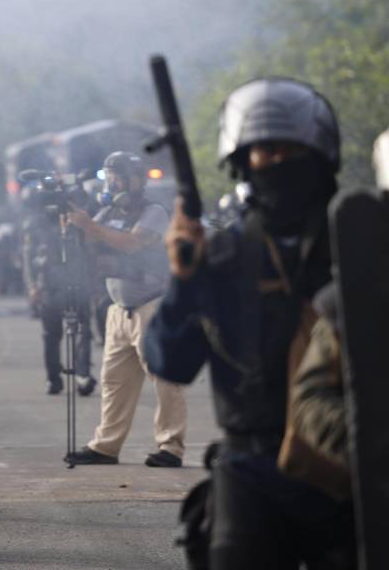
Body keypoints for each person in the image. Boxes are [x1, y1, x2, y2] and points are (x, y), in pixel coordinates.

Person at [144, 78, 356, 568]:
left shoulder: (360, 242)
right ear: (244, 163)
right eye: (264, 153)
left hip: (347, 462)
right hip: (252, 469)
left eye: (289, 151)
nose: (277, 164)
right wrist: (183, 283)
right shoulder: (220, 254)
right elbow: (169, 362)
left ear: (319, 157)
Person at [66, 151, 186, 467]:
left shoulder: (154, 211)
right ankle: (106, 447)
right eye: (109, 176)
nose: (113, 182)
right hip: (118, 309)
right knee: (114, 381)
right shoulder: (107, 211)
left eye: (118, 176)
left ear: (136, 179)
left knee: (163, 378)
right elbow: (92, 242)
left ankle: (170, 446)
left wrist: (89, 225)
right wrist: (73, 224)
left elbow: (131, 243)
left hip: (151, 305)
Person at [21, 173, 96, 395]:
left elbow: (91, 248)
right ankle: (53, 377)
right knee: (51, 334)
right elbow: (28, 257)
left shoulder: (79, 218)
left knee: (83, 330)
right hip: (49, 284)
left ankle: (83, 374)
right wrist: (32, 286)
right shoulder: (34, 222)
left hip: (78, 280)